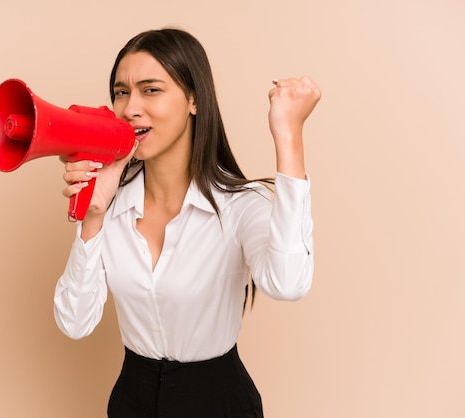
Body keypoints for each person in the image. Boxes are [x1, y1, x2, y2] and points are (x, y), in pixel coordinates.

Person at [54, 27, 321, 418]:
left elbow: (288, 282)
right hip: (132, 401)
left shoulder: (240, 206)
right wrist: (92, 217)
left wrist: (289, 135)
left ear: (194, 99)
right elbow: (74, 322)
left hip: (219, 402)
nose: (130, 108)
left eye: (151, 89)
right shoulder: (110, 203)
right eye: (121, 92)